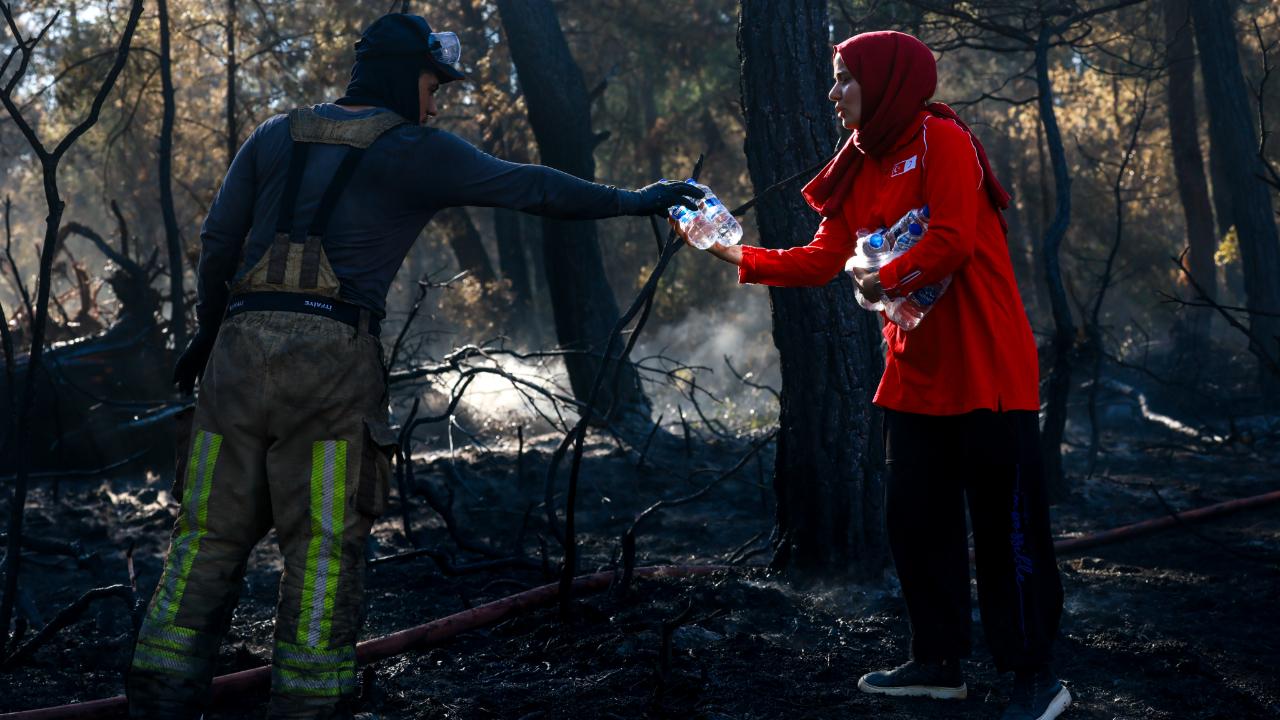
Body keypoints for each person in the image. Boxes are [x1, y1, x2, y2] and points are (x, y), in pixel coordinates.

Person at [126, 12, 702, 719]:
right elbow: (531, 187)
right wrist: (633, 200)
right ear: (404, 77)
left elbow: (219, 240)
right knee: (324, 546)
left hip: (236, 355)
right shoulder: (416, 149)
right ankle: (307, 705)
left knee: (206, 535)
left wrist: (207, 333)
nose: (437, 102)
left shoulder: (275, 132)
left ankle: (157, 693)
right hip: (329, 363)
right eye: (433, 84)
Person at [683, 31, 1069, 720]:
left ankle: (1036, 676)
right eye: (833, 80)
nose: (832, 93)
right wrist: (731, 251)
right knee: (916, 523)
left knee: (1008, 526)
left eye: (842, 80)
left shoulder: (943, 141)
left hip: (988, 368)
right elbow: (819, 259)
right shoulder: (859, 162)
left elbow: (950, 240)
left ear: (886, 82)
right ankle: (939, 663)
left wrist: (877, 279)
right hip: (917, 374)